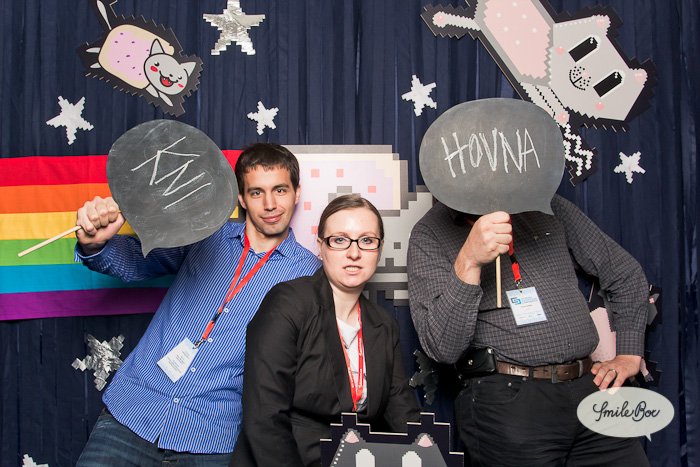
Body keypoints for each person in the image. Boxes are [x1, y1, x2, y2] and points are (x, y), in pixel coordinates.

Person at [75, 143, 320, 466]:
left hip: (210, 439)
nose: (270, 204)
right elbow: (137, 261)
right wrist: (95, 245)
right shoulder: (203, 234)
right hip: (132, 414)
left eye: (280, 190)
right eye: (257, 192)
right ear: (241, 197)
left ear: (296, 193)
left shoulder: (310, 274)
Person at [407, 195, 650, 467]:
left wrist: (629, 354)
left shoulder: (546, 203)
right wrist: (469, 261)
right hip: (509, 403)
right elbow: (443, 347)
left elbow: (625, 274)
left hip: (589, 386)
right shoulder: (429, 233)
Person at [231, 194, 420, 467]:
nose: (354, 253)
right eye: (340, 240)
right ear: (321, 247)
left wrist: (429, 454)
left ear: (379, 249)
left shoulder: (383, 323)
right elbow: (264, 416)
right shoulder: (289, 303)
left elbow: (401, 408)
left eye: (367, 240)